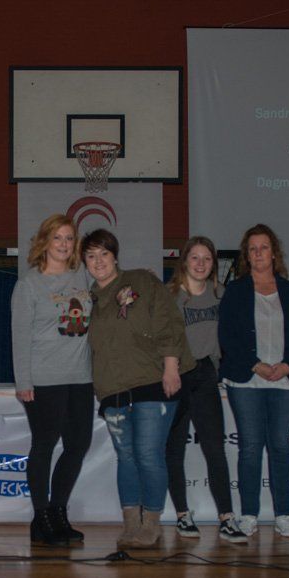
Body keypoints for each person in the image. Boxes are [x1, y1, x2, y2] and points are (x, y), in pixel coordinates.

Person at [82, 229, 193, 550]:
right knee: (126, 457)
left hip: (152, 384)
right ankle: (131, 522)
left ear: (115, 256)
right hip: (113, 390)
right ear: (85, 263)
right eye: (91, 256)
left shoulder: (142, 282)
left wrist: (171, 365)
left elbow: (168, 322)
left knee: (148, 454)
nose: (98, 261)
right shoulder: (88, 300)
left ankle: (151, 523)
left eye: (104, 254)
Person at [219, 224, 289, 539]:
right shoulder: (235, 291)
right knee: (249, 448)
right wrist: (255, 364)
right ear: (247, 255)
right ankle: (248, 515)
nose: (259, 253)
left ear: (275, 253)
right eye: (253, 249)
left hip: (286, 382)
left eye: (264, 247)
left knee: (281, 448)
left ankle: (283, 515)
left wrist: (287, 365)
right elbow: (227, 336)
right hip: (247, 382)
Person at [10, 214, 94, 546]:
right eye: (57, 237)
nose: (64, 244)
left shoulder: (82, 275)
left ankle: (58, 512)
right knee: (44, 445)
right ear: (44, 242)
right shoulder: (29, 285)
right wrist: (23, 381)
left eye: (69, 238)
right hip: (44, 379)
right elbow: (20, 337)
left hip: (81, 377)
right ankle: (41, 517)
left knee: (78, 445)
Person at [166, 237, 248, 544]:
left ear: (214, 264)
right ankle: (182, 514)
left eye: (207, 259)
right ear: (184, 261)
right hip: (175, 374)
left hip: (205, 375)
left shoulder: (221, 294)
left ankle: (226, 517)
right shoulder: (169, 295)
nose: (200, 264)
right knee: (174, 448)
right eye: (195, 258)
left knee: (215, 448)